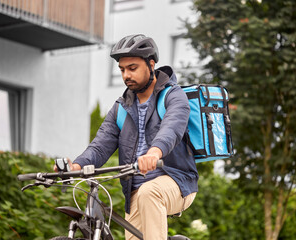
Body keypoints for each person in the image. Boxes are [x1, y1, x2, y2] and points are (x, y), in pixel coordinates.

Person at [68, 34, 198, 240]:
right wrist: (75, 166)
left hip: (176, 181)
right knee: (143, 197)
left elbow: (171, 129)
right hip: (135, 192)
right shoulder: (121, 108)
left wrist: (154, 153)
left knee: (150, 192)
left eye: (132, 68)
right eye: (122, 70)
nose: (126, 75)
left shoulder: (173, 96)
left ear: (151, 64)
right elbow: (100, 146)